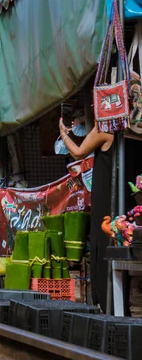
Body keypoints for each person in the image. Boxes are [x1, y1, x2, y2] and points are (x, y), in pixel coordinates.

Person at [59, 117, 114, 313]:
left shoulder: (108, 127)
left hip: (107, 199)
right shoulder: (134, 130)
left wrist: (63, 134)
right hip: (128, 197)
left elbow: (77, 152)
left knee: (104, 244)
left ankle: (108, 306)